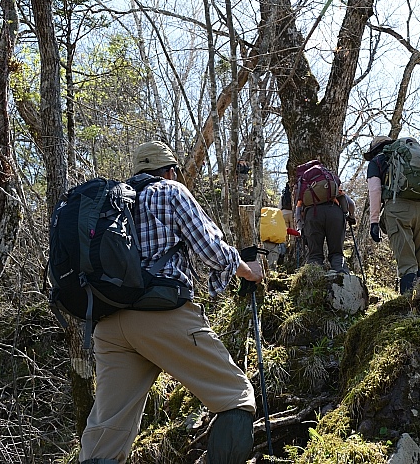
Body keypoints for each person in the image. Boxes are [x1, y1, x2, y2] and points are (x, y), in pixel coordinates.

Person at [79, 140, 264, 464]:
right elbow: (211, 249)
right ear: (169, 171)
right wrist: (248, 272)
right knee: (236, 398)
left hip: (108, 327)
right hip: (162, 314)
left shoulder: (111, 203)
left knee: (105, 439)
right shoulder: (169, 192)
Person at [364, 136, 420, 295]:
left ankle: (407, 308)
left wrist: (374, 222)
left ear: (375, 149)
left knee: (407, 265)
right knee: (419, 263)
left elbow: (375, 191)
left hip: (398, 210)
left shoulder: (378, 161)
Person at [294, 166, 356, 274]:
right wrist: (351, 216)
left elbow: (298, 209)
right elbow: (350, 203)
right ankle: (340, 274)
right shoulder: (331, 180)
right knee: (337, 252)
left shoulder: (303, 185)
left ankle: (313, 277)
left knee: (315, 255)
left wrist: (300, 227)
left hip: (312, 215)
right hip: (335, 214)